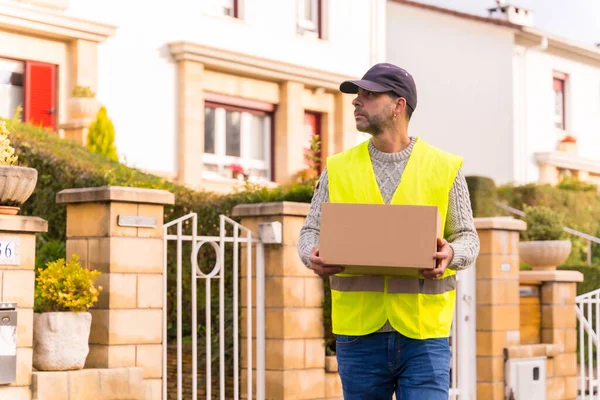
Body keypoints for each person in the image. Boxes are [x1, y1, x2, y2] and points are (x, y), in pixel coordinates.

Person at [297, 63, 480, 400]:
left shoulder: (444, 167)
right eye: (357, 95)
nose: (356, 101)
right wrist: (311, 254)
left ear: (399, 105)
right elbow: (310, 231)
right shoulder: (337, 168)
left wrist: (451, 254)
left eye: (368, 94)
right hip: (358, 335)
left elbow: (468, 238)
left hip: (424, 336)